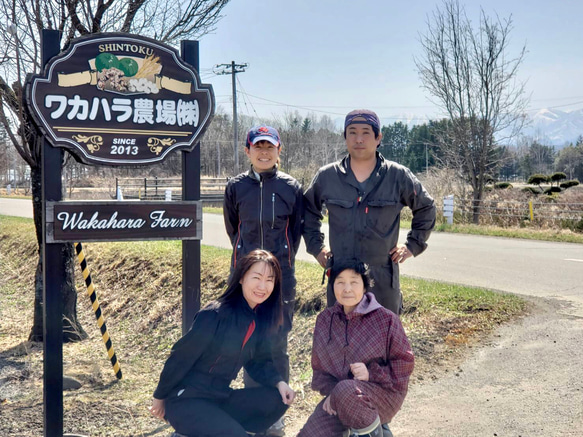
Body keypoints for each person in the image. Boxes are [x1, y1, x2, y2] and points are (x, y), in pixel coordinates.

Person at [303, 109, 436, 315]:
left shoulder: (397, 176)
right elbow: (307, 211)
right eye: (352, 132)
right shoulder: (327, 177)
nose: (359, 139)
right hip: (341, 277)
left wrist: (413, 245)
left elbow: (426, 207)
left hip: (382, 278)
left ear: (378, 137)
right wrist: (317, 248)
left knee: (384, 339)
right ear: (345, 137)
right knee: (341, 338)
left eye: (366, 132)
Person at [149, 250, 296, 437]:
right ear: (241, 278)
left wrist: (279, 382)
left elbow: (257, 361)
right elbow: (180, 356)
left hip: (218, 396)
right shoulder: (215, 314)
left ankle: (219, 426)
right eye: (256, 277)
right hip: (186, 401)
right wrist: (160, 396)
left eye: (269, 280)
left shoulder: (258, 318)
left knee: (276, 399)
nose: (262, 286)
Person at [223, 125, 303, 435]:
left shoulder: (291, 187)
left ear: (279, 151)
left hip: (280, 279)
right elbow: (234, 231)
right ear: (248, 151)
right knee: (246, 342)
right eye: (258, 146)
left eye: (270, 146)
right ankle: (252, 411)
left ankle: (275, 413)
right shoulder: (235, 187)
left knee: (275, 344)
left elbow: (294, 233)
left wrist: (277, 264)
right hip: (244, 278)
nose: (264, 151)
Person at [297, 260, 414, 437]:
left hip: (383, 393)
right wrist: (334, 394)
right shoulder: (324, 320)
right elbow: (320, 371)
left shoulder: (386, 319)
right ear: (333, 285)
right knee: (311, 433)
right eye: (340, 282)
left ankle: (375, 431)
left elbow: (404, 363)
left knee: (346, 391)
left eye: (354, 282)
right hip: (338, 397)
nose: (347, 289)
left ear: (365, 286)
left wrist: (371, 373)